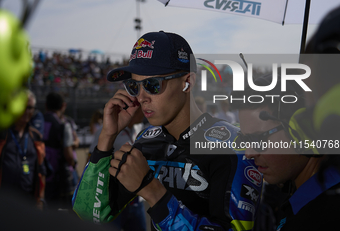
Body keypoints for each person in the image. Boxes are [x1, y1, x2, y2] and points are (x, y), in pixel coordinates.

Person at [73, 31, 262, 231]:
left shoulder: (233, 147)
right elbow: (88, 214)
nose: (141, 97)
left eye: (152, 85)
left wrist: (153, 191)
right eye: (133, 86)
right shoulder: (146, 141)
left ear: (187, 82)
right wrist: (107, 136)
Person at [230, 71, 340, 231]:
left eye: (257, 139)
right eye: (245, 140)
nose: (249, 153)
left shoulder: (322, 216)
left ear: (303, 129)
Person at [0, 90, 46, 209]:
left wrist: (40, 199)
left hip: (28, 202)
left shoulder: (35, 137)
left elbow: (41, 171)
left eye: (30, 108)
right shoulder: (2, 134)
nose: (27, 111)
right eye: (23, 107)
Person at [43, 92, 76, 209]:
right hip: (60, 176)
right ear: (63, 106)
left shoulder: (38, 121)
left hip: (42, 173)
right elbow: (68, 154)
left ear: (46, 105)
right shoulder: (63, 125)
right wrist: (73, 164)